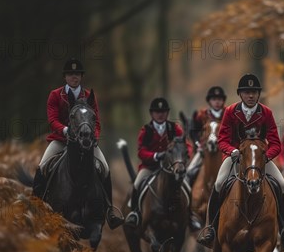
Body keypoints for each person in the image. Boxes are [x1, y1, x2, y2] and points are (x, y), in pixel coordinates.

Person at [196, 73, 284, 251]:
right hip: (235, 157)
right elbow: (222, 140)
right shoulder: (230, 112)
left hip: (259, 158)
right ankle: (210, 228)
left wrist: (266, 156)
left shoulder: (266, 112)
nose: (250, 95)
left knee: (281, 184)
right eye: (246, 92)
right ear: (240, 94)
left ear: (258, 94)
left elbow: (275, 143)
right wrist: (232, 151)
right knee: (219, 183)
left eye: (254, 92)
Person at [32, 58, 123, 228]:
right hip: (61, 140)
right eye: (70, 74)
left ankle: (109, 211)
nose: (74, 77)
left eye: (77, 74)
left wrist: (94, 136)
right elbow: (52, 120)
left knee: (105, 167)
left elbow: (95, 121)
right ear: (65, 76)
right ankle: (35, 205)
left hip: (86, 142)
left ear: (81, 76)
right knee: (43, 166)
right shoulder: (55, 95)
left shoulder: (89, 96)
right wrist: (66, 131)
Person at [124, 97, 192, 227]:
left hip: (171, 167)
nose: (160, 114)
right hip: (150, 167)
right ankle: (135, 213)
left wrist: (184, 156)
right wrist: (155, 155)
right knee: (137, 184)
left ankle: (190, 216)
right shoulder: (146, 130)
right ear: (152, 114)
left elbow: (185, 144)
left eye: (163, 112)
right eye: (157, 112)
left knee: (187, 186)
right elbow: (141, 152)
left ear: (167, 113)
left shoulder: (175, 129)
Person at [186, 86, 227, 188]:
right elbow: (193, 131)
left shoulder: (228, 113)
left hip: (224, 150)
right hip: (204, 150)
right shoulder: (201, 115)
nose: (217, 102)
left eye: (219, 99)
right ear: (209, 101)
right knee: (190, 171)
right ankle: (187, 192)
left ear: (223, 101)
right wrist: (198, 144)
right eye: (214, 99)